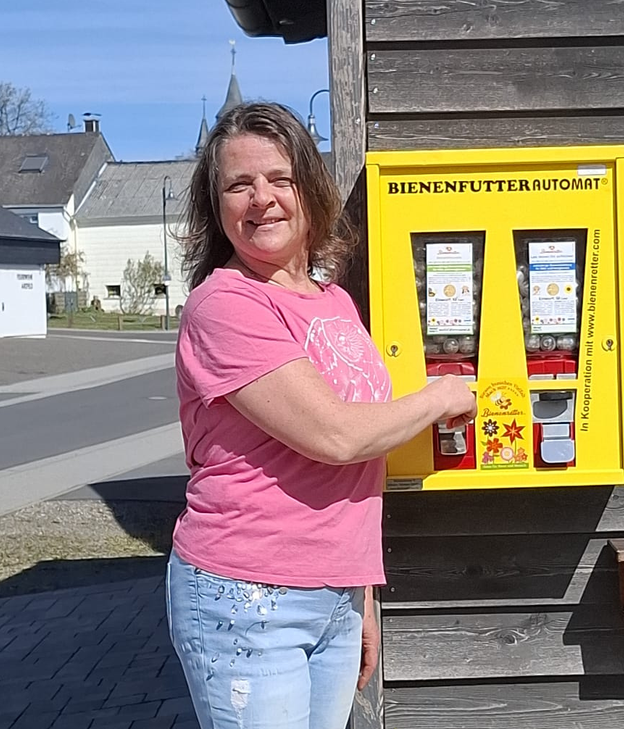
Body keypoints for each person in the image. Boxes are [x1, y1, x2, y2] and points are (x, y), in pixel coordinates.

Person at [167, 102, 477, 729]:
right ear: (217, 206)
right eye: (239, 185)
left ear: (309, 187)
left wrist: (356, 594)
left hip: (331, 590)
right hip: (248, 595)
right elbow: (336, 437)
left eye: (279, 178)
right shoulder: (225, 306)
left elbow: (350, 479)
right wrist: (441, 396)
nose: (262, 200)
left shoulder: (330, 299)